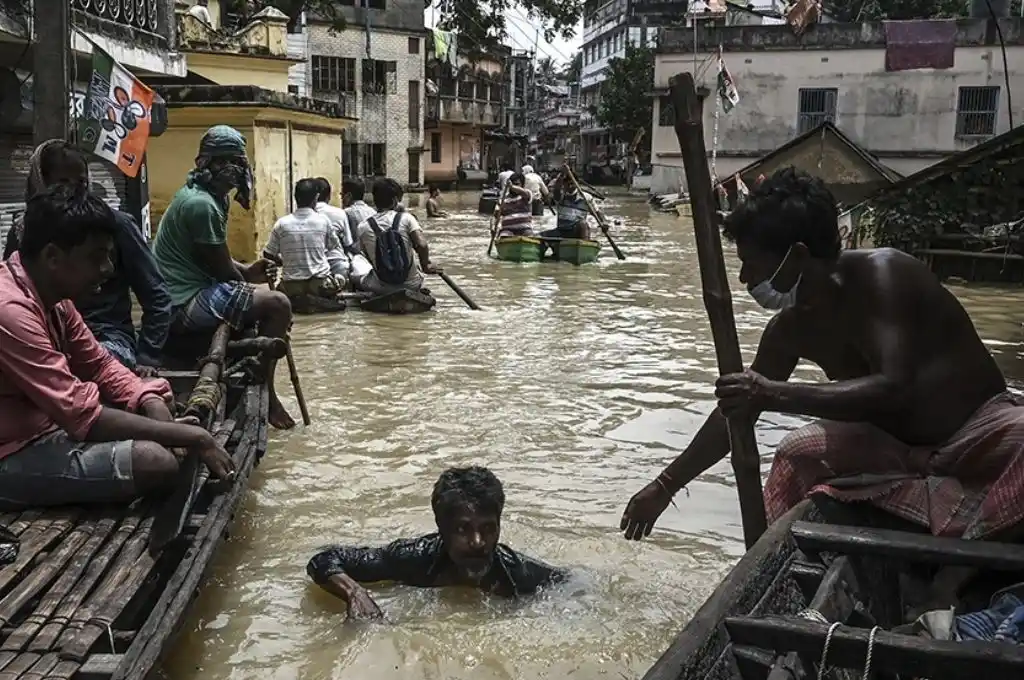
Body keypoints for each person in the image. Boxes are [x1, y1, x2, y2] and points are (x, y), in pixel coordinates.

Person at [620, 167, 1024, 550]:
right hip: (893, 447)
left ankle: (965, 565)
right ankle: (771, 577)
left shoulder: (884, 276)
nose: (744, 278)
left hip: (977, 431)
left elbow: (893, 387)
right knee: (796, 453)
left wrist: (773, 394)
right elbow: (735, 412)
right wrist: (665, 485)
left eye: (751, 264)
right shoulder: (788, 330)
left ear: (796, 256)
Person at [0, 183, 235, 509]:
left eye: (109, 257)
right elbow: (80, 413)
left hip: (44, 431)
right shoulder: (9, 310)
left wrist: (147, 398)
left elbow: (99, 365)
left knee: (155, 414)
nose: (108, 270)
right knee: (156, 460)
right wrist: (189, 436)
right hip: (10, 453)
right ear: (53, 256)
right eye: (96, 258)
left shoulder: (54, 300)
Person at [152, 125, 295, 430]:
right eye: (223, 161)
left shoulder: (212, 198)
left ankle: (259, 375)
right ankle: (268, 392)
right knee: (279, 304)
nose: (231, 169)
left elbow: (216, 256)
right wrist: (245, 279)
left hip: (189, 291)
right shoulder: (200, 204)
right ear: (204, 163)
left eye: (237, 162)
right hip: (181, 303)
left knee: (263, 299)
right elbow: (221, 271)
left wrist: (246, 271)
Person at [3, 140, 172, 376]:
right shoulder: (23, 231)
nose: (74, 190)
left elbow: (157, 295)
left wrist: (147, 357)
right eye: (61, 182)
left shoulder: (113, 225)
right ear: (40, 182)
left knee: (78, 373)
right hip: (44, 335)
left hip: (106, 336)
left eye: (81, 182)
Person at [306, 466, 568, 619]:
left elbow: (571, 583)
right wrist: (355, 593)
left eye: (488, 528)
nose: (478, 542)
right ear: (441, 528)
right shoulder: (412, 559)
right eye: (463, 529)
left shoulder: (517, 574)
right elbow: (325, 559)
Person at [350, 179, 439, 294]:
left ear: (375, 200)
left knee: (355, 272)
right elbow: (422, 244)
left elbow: (365, 255)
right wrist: (426, 265)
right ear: (395, 201)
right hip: (412, 284)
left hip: (380, 287)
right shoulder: (407, 218)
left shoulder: (363, 226)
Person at [263, 178, 342, 307]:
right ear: (316, 198)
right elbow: (333, 247)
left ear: (295, 198)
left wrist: (284, 261)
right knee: (340, 279)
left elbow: (267, 254)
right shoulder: (324, 221)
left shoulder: (281, 224)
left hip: (291, 287)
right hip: (319, 284)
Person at [539, 169, 597, 256]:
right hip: (561, 231)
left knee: (583, 224)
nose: (570, 186)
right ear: (564, 184)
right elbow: (556, 190)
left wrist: (603, 223)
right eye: (567, 184)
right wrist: (561, 176)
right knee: (539, 237)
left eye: (572, 184)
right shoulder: (561, 196)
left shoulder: (586, 198)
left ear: (577, 183)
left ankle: (584, 250)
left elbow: (597, 212)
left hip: (576, 231)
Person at [312, 176, 355, 282]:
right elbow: (348, 243)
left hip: (313, 268)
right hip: (338, 266)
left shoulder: (302, 215)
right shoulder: (340, 213)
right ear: (329, 196)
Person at [341, 177, 376, 254]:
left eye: (342, 194)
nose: (341, 198)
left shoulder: (347, 213)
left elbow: (348, 241)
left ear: (348, 196)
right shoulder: (372, 211)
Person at [495, 173, 534, 237]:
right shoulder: (502, 199)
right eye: (513, 183)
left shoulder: (526, 194)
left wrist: (512, 186)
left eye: (517, 184)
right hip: (507, 229)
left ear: (522, 185)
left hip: (525, 229)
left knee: (530, 236)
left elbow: (524, 193)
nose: (514, 186)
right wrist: (493, 228)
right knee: (504, 236)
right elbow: (495, 216)